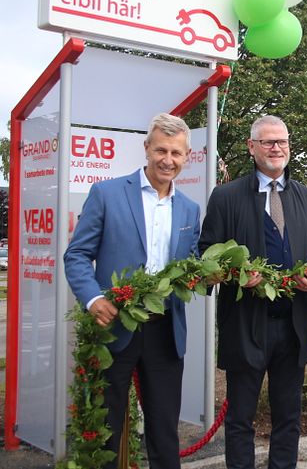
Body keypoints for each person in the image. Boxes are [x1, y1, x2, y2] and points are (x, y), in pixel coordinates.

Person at [64, 113, 201, 469]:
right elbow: (77, 255)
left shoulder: (189, 208)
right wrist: (94, 298)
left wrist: (206, 275)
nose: (167, 160)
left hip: (165, 330)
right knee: (104, 428)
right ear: (146, 149)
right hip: (114, 328)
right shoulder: (106, 194)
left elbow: (191, 266)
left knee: (164, 429)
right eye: (160, 150)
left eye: (176, 153)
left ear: (186, 156)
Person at [198, 115, 307, 469]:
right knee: (240, 420)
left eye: (282, 141)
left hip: (294, 327)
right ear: (251, 147)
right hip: (245, 325)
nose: (276, 148)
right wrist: (235, 274)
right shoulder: (225, 198)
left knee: (288, 419)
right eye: (268, 142)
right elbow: (206, 254)